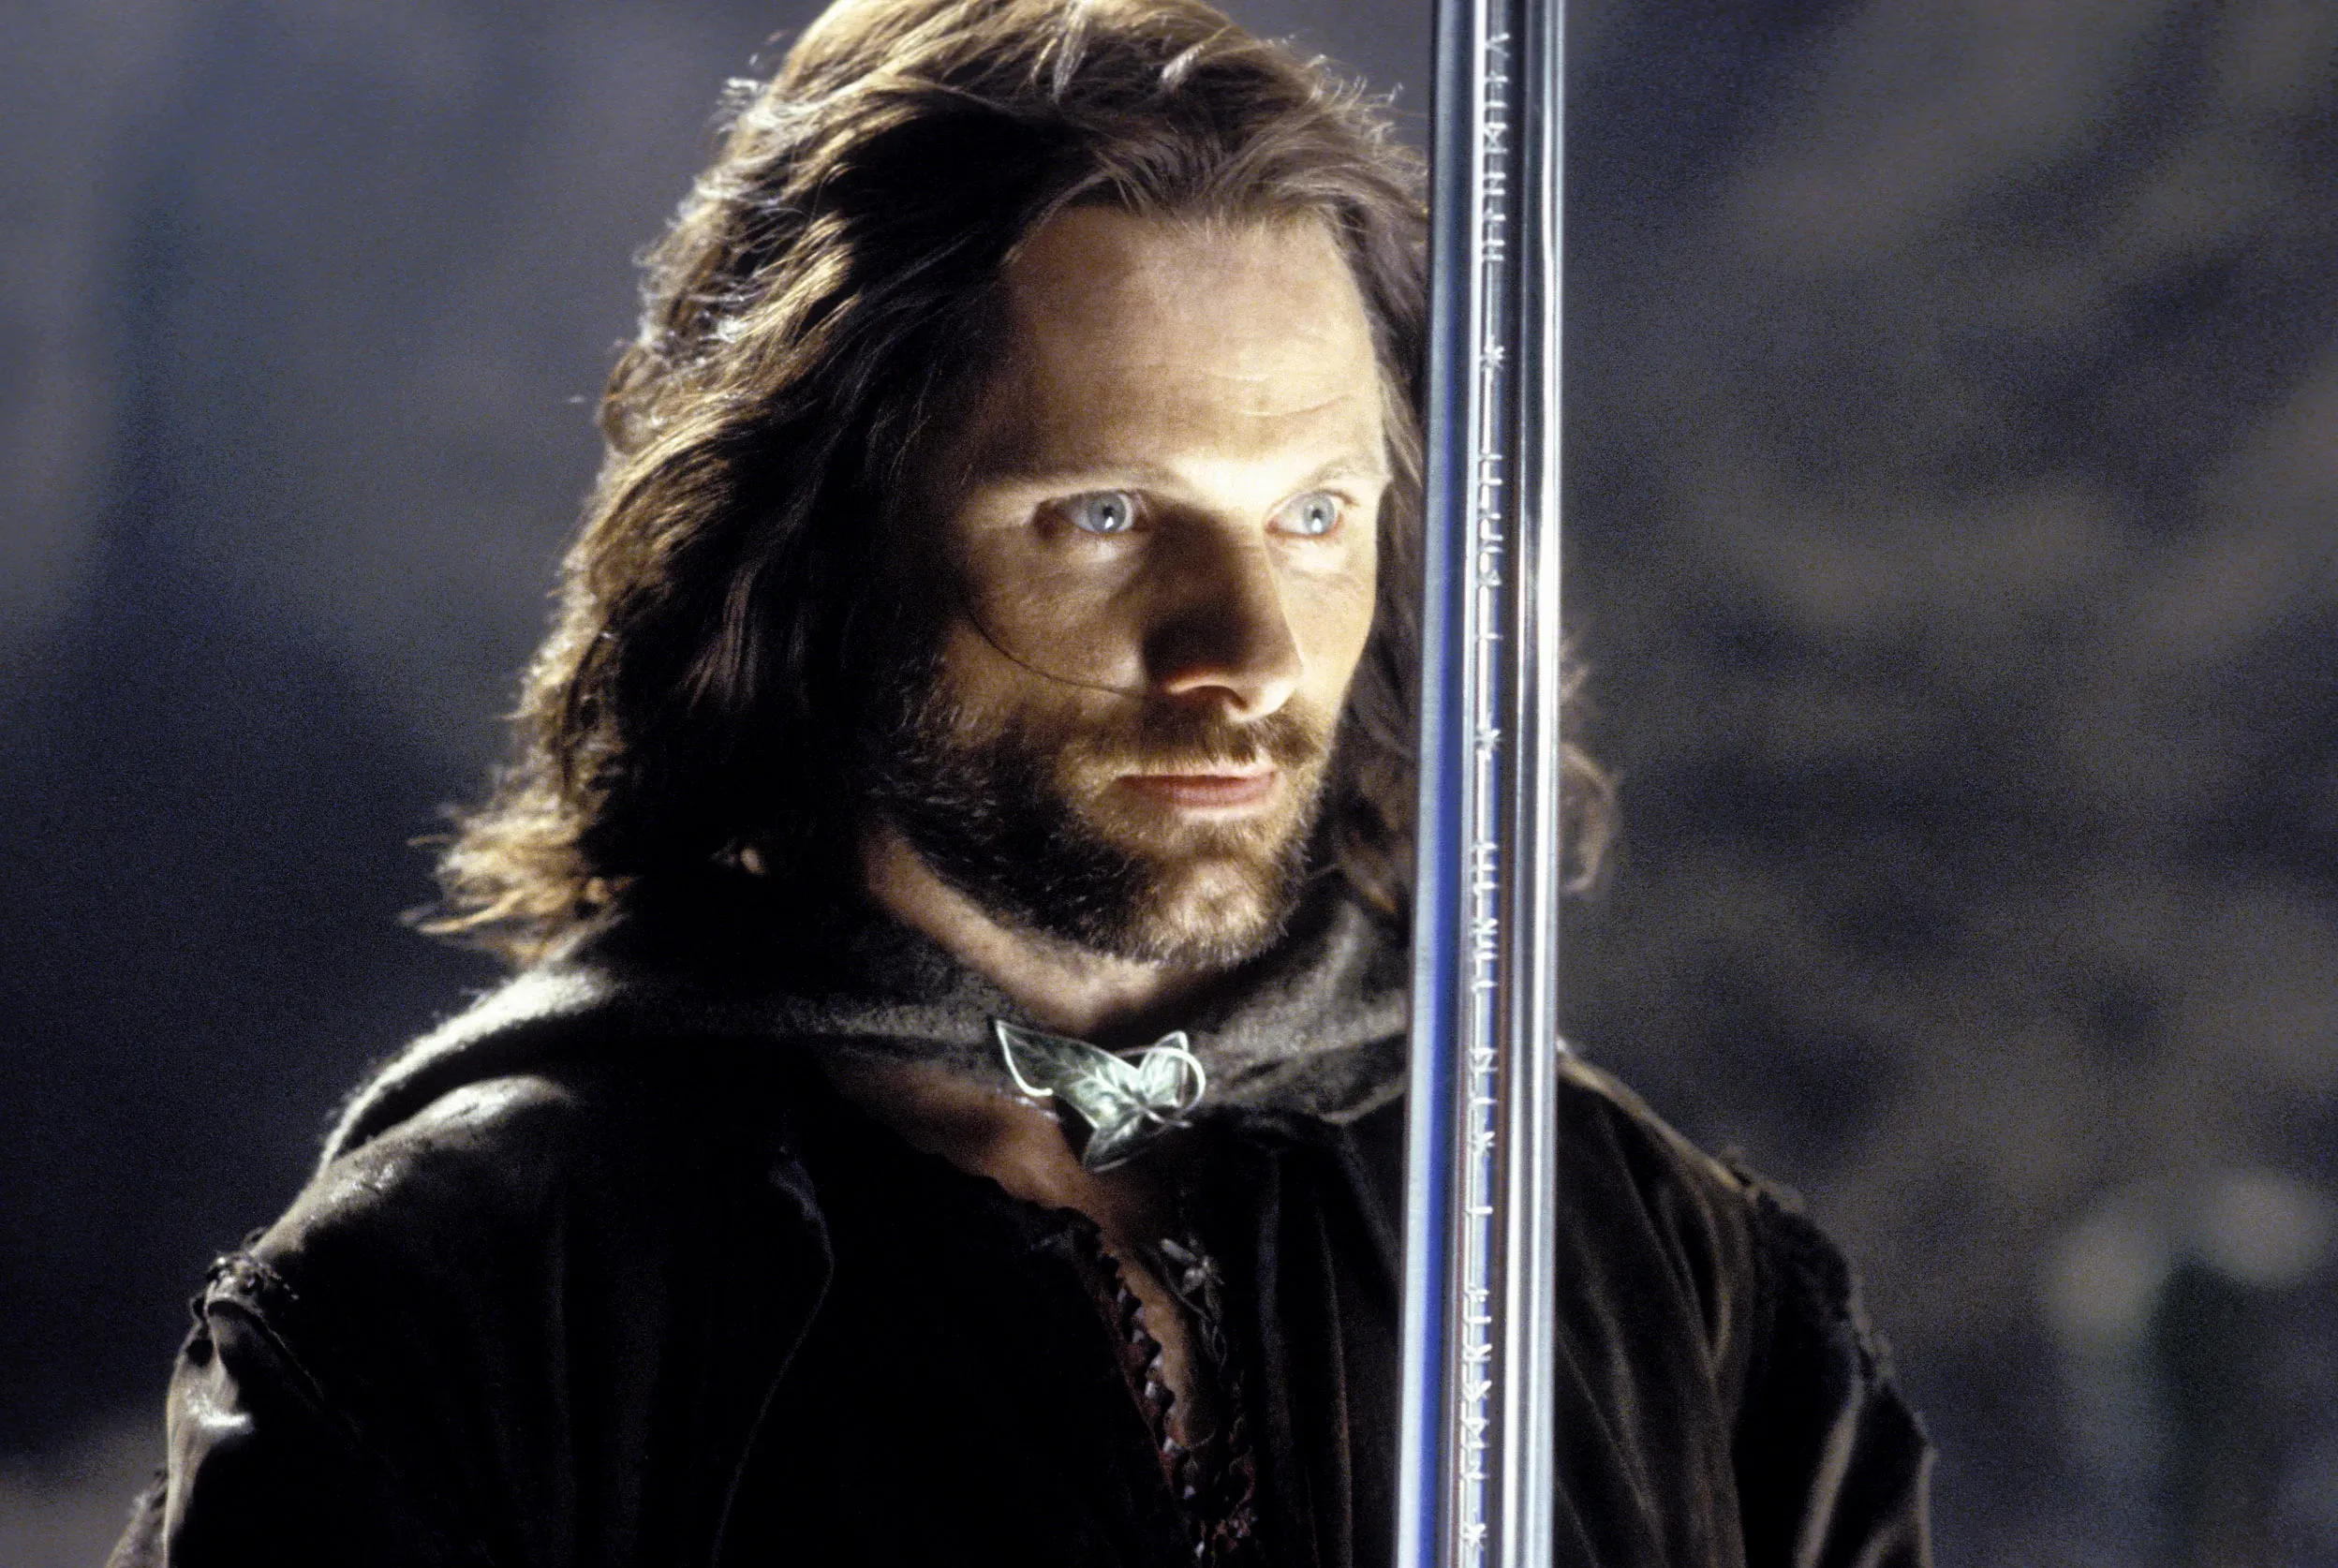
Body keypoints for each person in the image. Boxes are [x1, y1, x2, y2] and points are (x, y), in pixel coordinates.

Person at [111, 1, 1933, 1563]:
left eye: (1314, 515)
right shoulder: (460, 1314)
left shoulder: (1662, 1281)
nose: (1245, 646)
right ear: (817, 544)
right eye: (1106, 515)